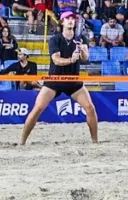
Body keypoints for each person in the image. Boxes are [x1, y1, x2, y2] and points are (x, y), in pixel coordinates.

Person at [19, 12, 101, 145]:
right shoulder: (55, 39)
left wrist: (82, 51)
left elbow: (85, 58)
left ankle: (95, 142)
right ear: (62, 22)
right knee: (38, 108)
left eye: (72, 19)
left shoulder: (81, 39)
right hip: (55, 80)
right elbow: (56, 60)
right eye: (67, 18)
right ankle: (22, 142)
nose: (70, 21)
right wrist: (71, 59)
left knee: (90, 108)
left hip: (73, 81)